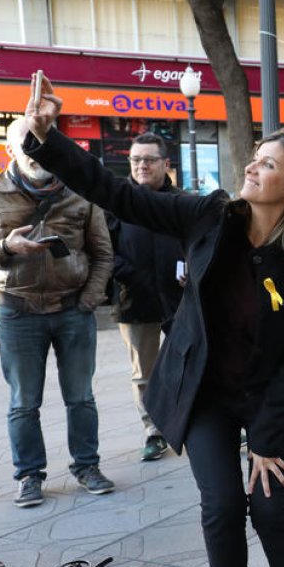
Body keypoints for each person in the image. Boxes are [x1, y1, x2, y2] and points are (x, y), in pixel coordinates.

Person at [23, 72, 284, 567]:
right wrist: (47, 139)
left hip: (270, 400)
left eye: (267, 164)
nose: (251, 166)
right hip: (206, 393)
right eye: (255, 157)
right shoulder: (208, 216)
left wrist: (265, 438)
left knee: (270, 505)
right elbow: (115, 192)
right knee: (220, 507)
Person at [0, 118, 114, 508]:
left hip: (73, 309)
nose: (34, 150)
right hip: (17, 310)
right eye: (25, 143)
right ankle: (29, 475)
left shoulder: (81, 191)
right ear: (10, 149)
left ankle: (87, 466)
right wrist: (4, 247)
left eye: (40, 142)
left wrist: (89, 300)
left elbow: (102, 253)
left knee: (81, 397)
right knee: (24, 401)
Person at [112, 132, 184, 462]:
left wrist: (190, 266)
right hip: (135, 300)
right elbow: (103, 250)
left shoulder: (181, 202)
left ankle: (203, 421)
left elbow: (198, 244)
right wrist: (130, 275)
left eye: (149, 160)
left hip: (181, 299)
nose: (142, 165)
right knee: (144, 373)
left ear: (165, 163)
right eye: (136, 159)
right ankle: (153, 431)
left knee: (194, 361)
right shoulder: (117, 201)